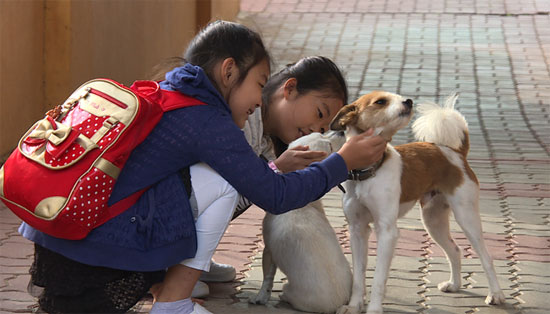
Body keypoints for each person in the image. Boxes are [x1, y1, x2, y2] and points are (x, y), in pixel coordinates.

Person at [19, 20, 386, 314]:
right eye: (259, 84)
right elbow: (276, 196)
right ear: (229, 72)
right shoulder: (207, 120)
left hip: (63, 231)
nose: (260, 99)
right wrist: (343, 161)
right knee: (223, 183)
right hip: (94, 247)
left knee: (217, 181)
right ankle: (174, 302)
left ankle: (176, 292)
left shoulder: (170, 91)